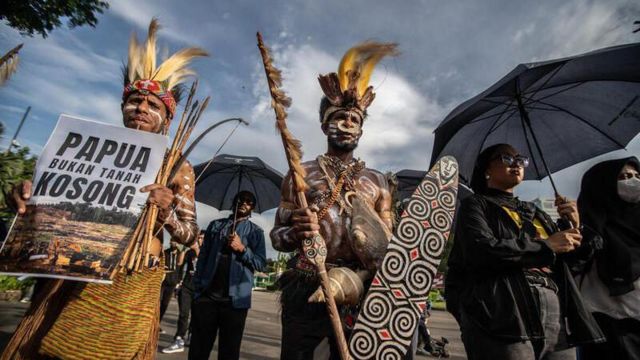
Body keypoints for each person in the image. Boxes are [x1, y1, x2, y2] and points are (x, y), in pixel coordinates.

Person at [2, 19, 205, 359]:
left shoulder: (176, 166)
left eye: (152, 105)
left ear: (168, 119)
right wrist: (27, 201)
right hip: (72, 277)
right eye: (134, 101)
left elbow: (188, 234)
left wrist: (166, 208)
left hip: (129, 284)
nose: (140, 108)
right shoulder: (90, 148)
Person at [270, 42, 397, 359]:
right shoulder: (300, 175)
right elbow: (277, 237)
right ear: (324, 124)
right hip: (309, 282)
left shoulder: (378, 182)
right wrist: (297, 231)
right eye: (339, 118)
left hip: (362, 289)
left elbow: (390, 244)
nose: (347, 125)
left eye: (354, 120)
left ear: (362, 130)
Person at [445, 143, 604, 360]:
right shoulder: (476, 205)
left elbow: (573, 262)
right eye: (506, 159)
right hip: (504, 309)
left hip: (554, 309)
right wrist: (546, 245)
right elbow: (481, 248)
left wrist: (575, 226)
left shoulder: (534, 211)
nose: (516, 164)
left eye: (520, 160)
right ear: (486, 170)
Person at [574, 157, 640, 360]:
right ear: (603, 185)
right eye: (624, 176)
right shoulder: (589, 232)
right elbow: (575, 264)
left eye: (637, 176)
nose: (634, 181)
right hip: (609, 320)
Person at [189, 191, 266, 360]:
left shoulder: (256, 232)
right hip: (207, 297)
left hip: (235, 302)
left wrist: (242, 249)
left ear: (252, 207)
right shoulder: (215, 225)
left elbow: (261, 263)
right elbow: (203, 257)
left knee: (229, 351)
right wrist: (197, 289)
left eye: (249, 202)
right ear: (234, 202)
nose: (244, 203)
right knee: (198, 349)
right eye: (241, 199)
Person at [162, 231, 204, 354]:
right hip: (186, 287)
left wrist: (197, 250)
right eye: (198, 238)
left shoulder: (206, 252)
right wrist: (184, 250)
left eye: (202, 238)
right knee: (183, 314)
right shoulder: (190, 252)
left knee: (196, 315)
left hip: (199, 289)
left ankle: (191, 335)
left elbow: (203, 264)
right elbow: (180, 263)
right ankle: (179, 339)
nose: (199, 240)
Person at [159, 240, 185, 325]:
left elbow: (181, 268)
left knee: (165, 304)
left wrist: (179, 281)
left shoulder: (180, 254)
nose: (174, 242)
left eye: (176, 241)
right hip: (163, 281)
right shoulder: (165, 252)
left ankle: (158, 322)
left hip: (173, 283)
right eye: (172, 240)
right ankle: (153, 323)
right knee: (158, 301)